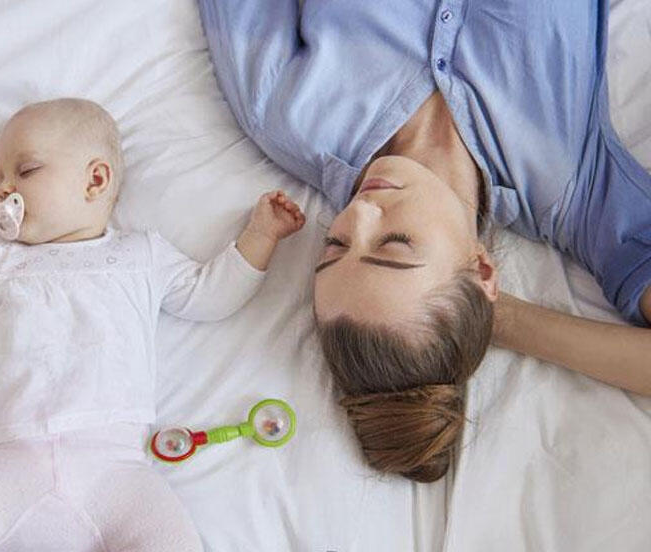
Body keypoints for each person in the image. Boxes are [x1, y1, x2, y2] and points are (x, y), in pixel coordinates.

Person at [197, 0, 651, 482]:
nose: (360, 212)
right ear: (482, 270)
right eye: (394, 244)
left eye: (336, 244)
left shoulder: (284, 112)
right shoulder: (575, 189)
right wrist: (491, 320)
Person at [0, 97, 305, 552]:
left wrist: (261, 236)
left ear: (96, 180)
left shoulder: (140, 255)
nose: (3, 188)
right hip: (6, 462)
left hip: (112, 471)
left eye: (25, 171)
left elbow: (210, 295)